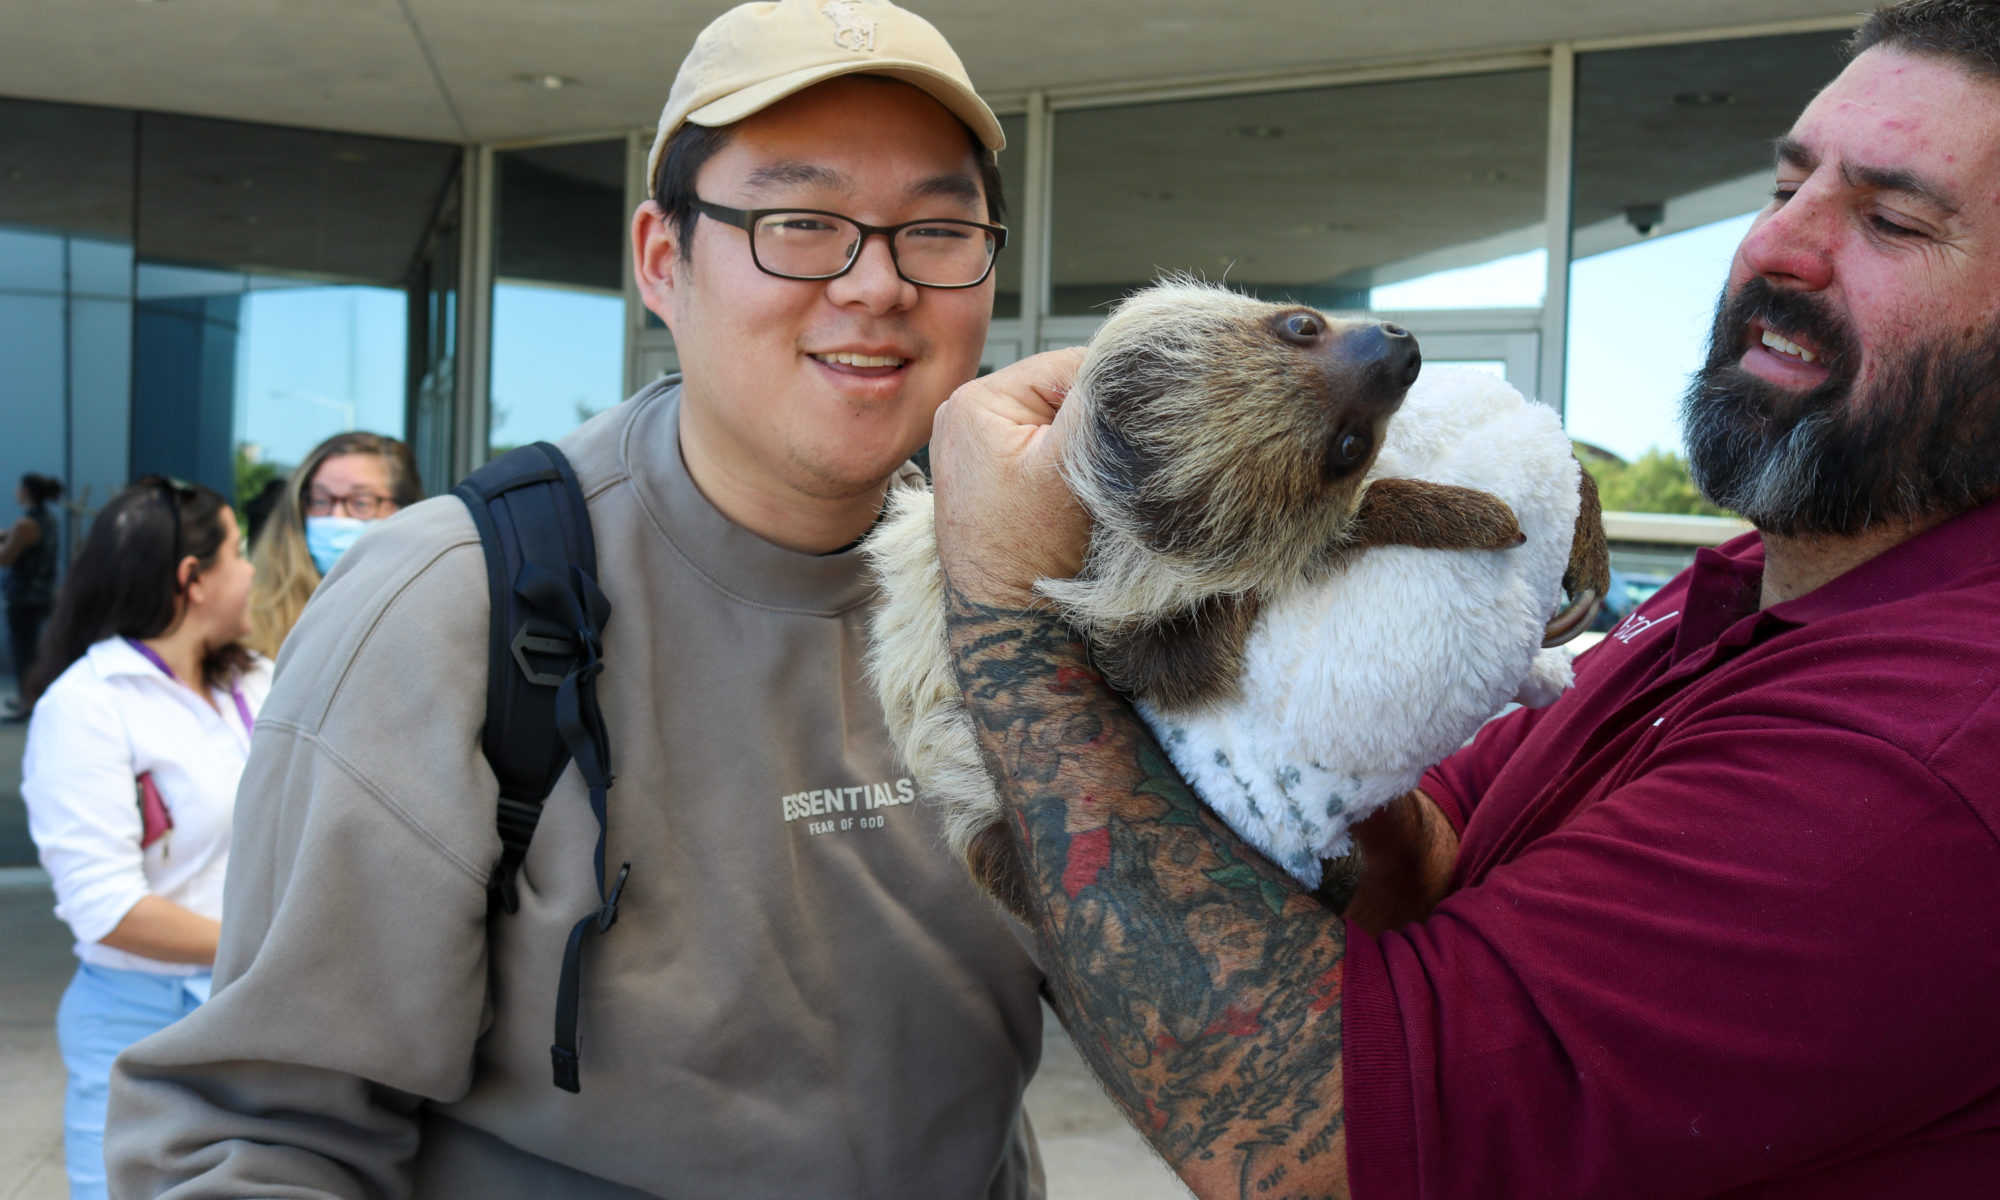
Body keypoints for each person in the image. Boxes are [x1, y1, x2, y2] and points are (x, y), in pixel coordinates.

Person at [925, 2, 2000, 1197]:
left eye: (1891, 220)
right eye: (1785, 185)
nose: (1777, 250)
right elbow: (1420, 850)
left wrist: (1004, 606)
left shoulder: (1921, 754)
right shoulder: (1738, 599)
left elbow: (1315, 1143)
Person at [107, 2, 1046, 1196]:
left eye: (935, 227)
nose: (873, 283)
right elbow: (259, 1138)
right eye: (799, 223)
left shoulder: (1027, 599)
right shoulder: (455, 604)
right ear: (663, 260)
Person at [19, 477, 266, 1200]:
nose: (252, 573)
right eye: (239, 554)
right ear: (193, 579)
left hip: (252, 1011)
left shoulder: (253, 682)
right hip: (141, 1021)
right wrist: (275, 950)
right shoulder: (87, 706)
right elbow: (109, 910)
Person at [244, 432, 422, 659]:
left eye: (360, 503)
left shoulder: (423, 617)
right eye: (320, 501)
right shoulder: (256, 619)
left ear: (404, 509)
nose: (336, 517)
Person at [2, 471, 65, 711]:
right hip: (42, 594)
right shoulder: (46, 519)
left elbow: (6, 557)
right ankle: (33, 696)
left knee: (23, 652)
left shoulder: (25, 524)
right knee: (32, 649)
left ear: (26, 492)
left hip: (24, 598)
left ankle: (26, 699)